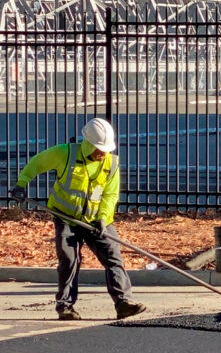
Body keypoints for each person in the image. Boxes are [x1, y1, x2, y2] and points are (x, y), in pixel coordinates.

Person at [8, 118, 146, 321]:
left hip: (97, 220)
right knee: (69, 260)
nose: (102, 153)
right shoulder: (65, 153)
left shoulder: (111, 163)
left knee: (113, 257)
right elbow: (37, 163)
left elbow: (110, 195)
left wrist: (101, 218)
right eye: (99, 149)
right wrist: (21, 183)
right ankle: (65, 307)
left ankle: (123, 302)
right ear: (88, 143)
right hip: (66, 218)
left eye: (105, 149)